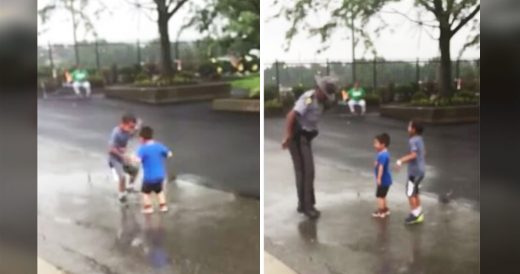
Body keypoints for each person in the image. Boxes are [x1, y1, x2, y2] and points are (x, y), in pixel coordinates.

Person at [282, 75, 339, 219]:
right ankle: (307, 207)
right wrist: (288, 136)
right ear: (318, 89)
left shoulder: (322, 102)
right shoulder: (309, 98)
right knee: (307, 172)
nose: (326, 97)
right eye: (325, 94)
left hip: (306, 137)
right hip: (297, 136)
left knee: (304, 172)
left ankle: (303, 204)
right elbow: (291, 116)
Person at [132, 126, 173, 214]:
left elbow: (137, 160)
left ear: (142, 138)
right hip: (160, 175)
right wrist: (163, 156)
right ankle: (163, 206)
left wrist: (132, 159)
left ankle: (148, 207)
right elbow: (169, 154)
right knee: (159, 190)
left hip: (149, 177)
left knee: (145, 193)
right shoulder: (159, 146)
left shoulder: (143, 149)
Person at [396, 120, 426, 225]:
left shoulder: (413, 140)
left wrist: (400, 161)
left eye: (409, 127)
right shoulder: (420, 139)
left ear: (413, 129)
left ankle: (415, 215)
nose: (407, 128)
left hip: (414, 172)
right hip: (421, 171)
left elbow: (413, 155)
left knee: (410, 193)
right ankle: (418, 213)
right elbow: (421, 153)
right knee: (415, 193)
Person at [108, 113, 142, 203]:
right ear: (122, 124)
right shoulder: (116, 133)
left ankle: (130, 187)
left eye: (132, 127)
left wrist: (137, 126)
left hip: (123, 157)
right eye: (130, 127)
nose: (131, 129)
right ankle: (121, 195)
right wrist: (122, 155)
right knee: (122, 177)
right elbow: (110, 149)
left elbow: (133, 132)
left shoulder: (128, 131)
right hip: (114, 158)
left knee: (135, 169)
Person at [372, 133, 392, 218]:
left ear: (383, 144)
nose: (374, 145)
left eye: (376, 143)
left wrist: (379, 178)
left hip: (383, 180)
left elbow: (381, 167)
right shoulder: (383, 153)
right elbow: (379, 163)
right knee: (383, 196)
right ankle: (385, 209)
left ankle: (381, 212)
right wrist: (376, 162)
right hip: (386, 180)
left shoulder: (383, 155)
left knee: (380, 196)